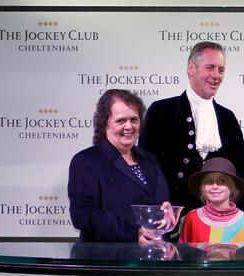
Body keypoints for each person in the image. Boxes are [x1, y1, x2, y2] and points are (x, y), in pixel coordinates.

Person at [139, 41, 244, 215]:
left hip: (215, 221)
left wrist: (232, 210)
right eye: (210, 67)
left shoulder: (227, 118)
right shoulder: (161, 111)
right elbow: (147, 166)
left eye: (221, 70)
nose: (216, 75)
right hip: (171, 217)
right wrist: (160, 209)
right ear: (191, 68)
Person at [68, 89, 173, 243]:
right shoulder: (86, 161)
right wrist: (133, 233)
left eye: (134, 119)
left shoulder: (150, 159)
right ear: (104, 124)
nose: (129, 126)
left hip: (152, 259)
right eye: (121, 121)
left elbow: (162, 201)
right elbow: (82, 215)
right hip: (109, 260)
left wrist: (170, 210)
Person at [179, 157, 244, 243]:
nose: (215, 186)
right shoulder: (192, 218)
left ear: (232, 186)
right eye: (208, 181)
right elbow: (183, 253)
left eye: (222, 181)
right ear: (202, 188)